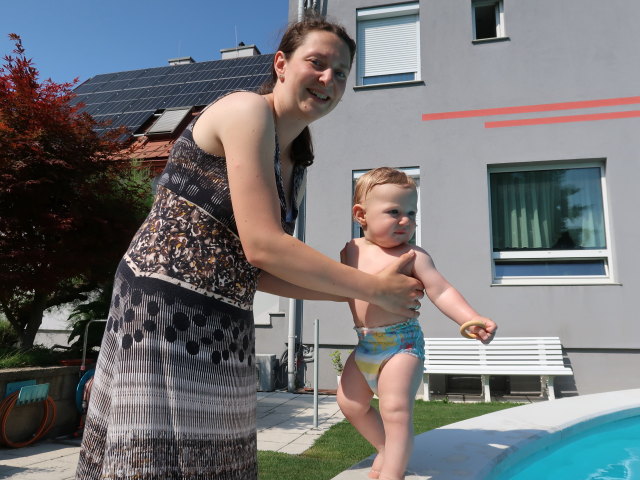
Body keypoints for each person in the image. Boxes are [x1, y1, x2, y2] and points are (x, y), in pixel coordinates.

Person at [75, 16, 425, 480]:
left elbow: (254, 269)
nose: (329, 80)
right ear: (281, 63)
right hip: (163, 309)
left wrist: (359, 294)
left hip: (227, 317)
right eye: (317, 63)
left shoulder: (297, 158)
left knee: (218, 459)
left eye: (341, 73)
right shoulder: (246, 110)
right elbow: (263, 245)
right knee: (156, 459)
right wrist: (374, 289)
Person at [337, 167, 497, 480]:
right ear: (361, 215)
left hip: (401, 345)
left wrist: (470, 318)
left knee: (395, 409)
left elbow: (442, 290)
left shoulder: (414, 256)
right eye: (394, 211)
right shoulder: (350, 251)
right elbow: (338, 286)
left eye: (412, 213)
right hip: (366, 343)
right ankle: (385, 448)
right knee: (350, 403)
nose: (406, 220)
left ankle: (393, 473)